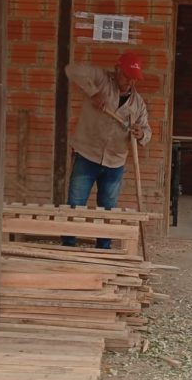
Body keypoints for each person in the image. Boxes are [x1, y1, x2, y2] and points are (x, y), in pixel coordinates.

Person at [62, 52, 151, 249]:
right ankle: (68, 246)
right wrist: (93, 92)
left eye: (133, 78)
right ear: (117, 69)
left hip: (115, 162)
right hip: (87, 154)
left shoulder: (137, 104)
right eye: (126, 75)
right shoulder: (101, 79)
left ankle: (103, 248)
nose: (129, 81)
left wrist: (140, 133)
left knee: (108, 209)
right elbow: (71, 69)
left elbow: (147, 132)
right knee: (76, 204)